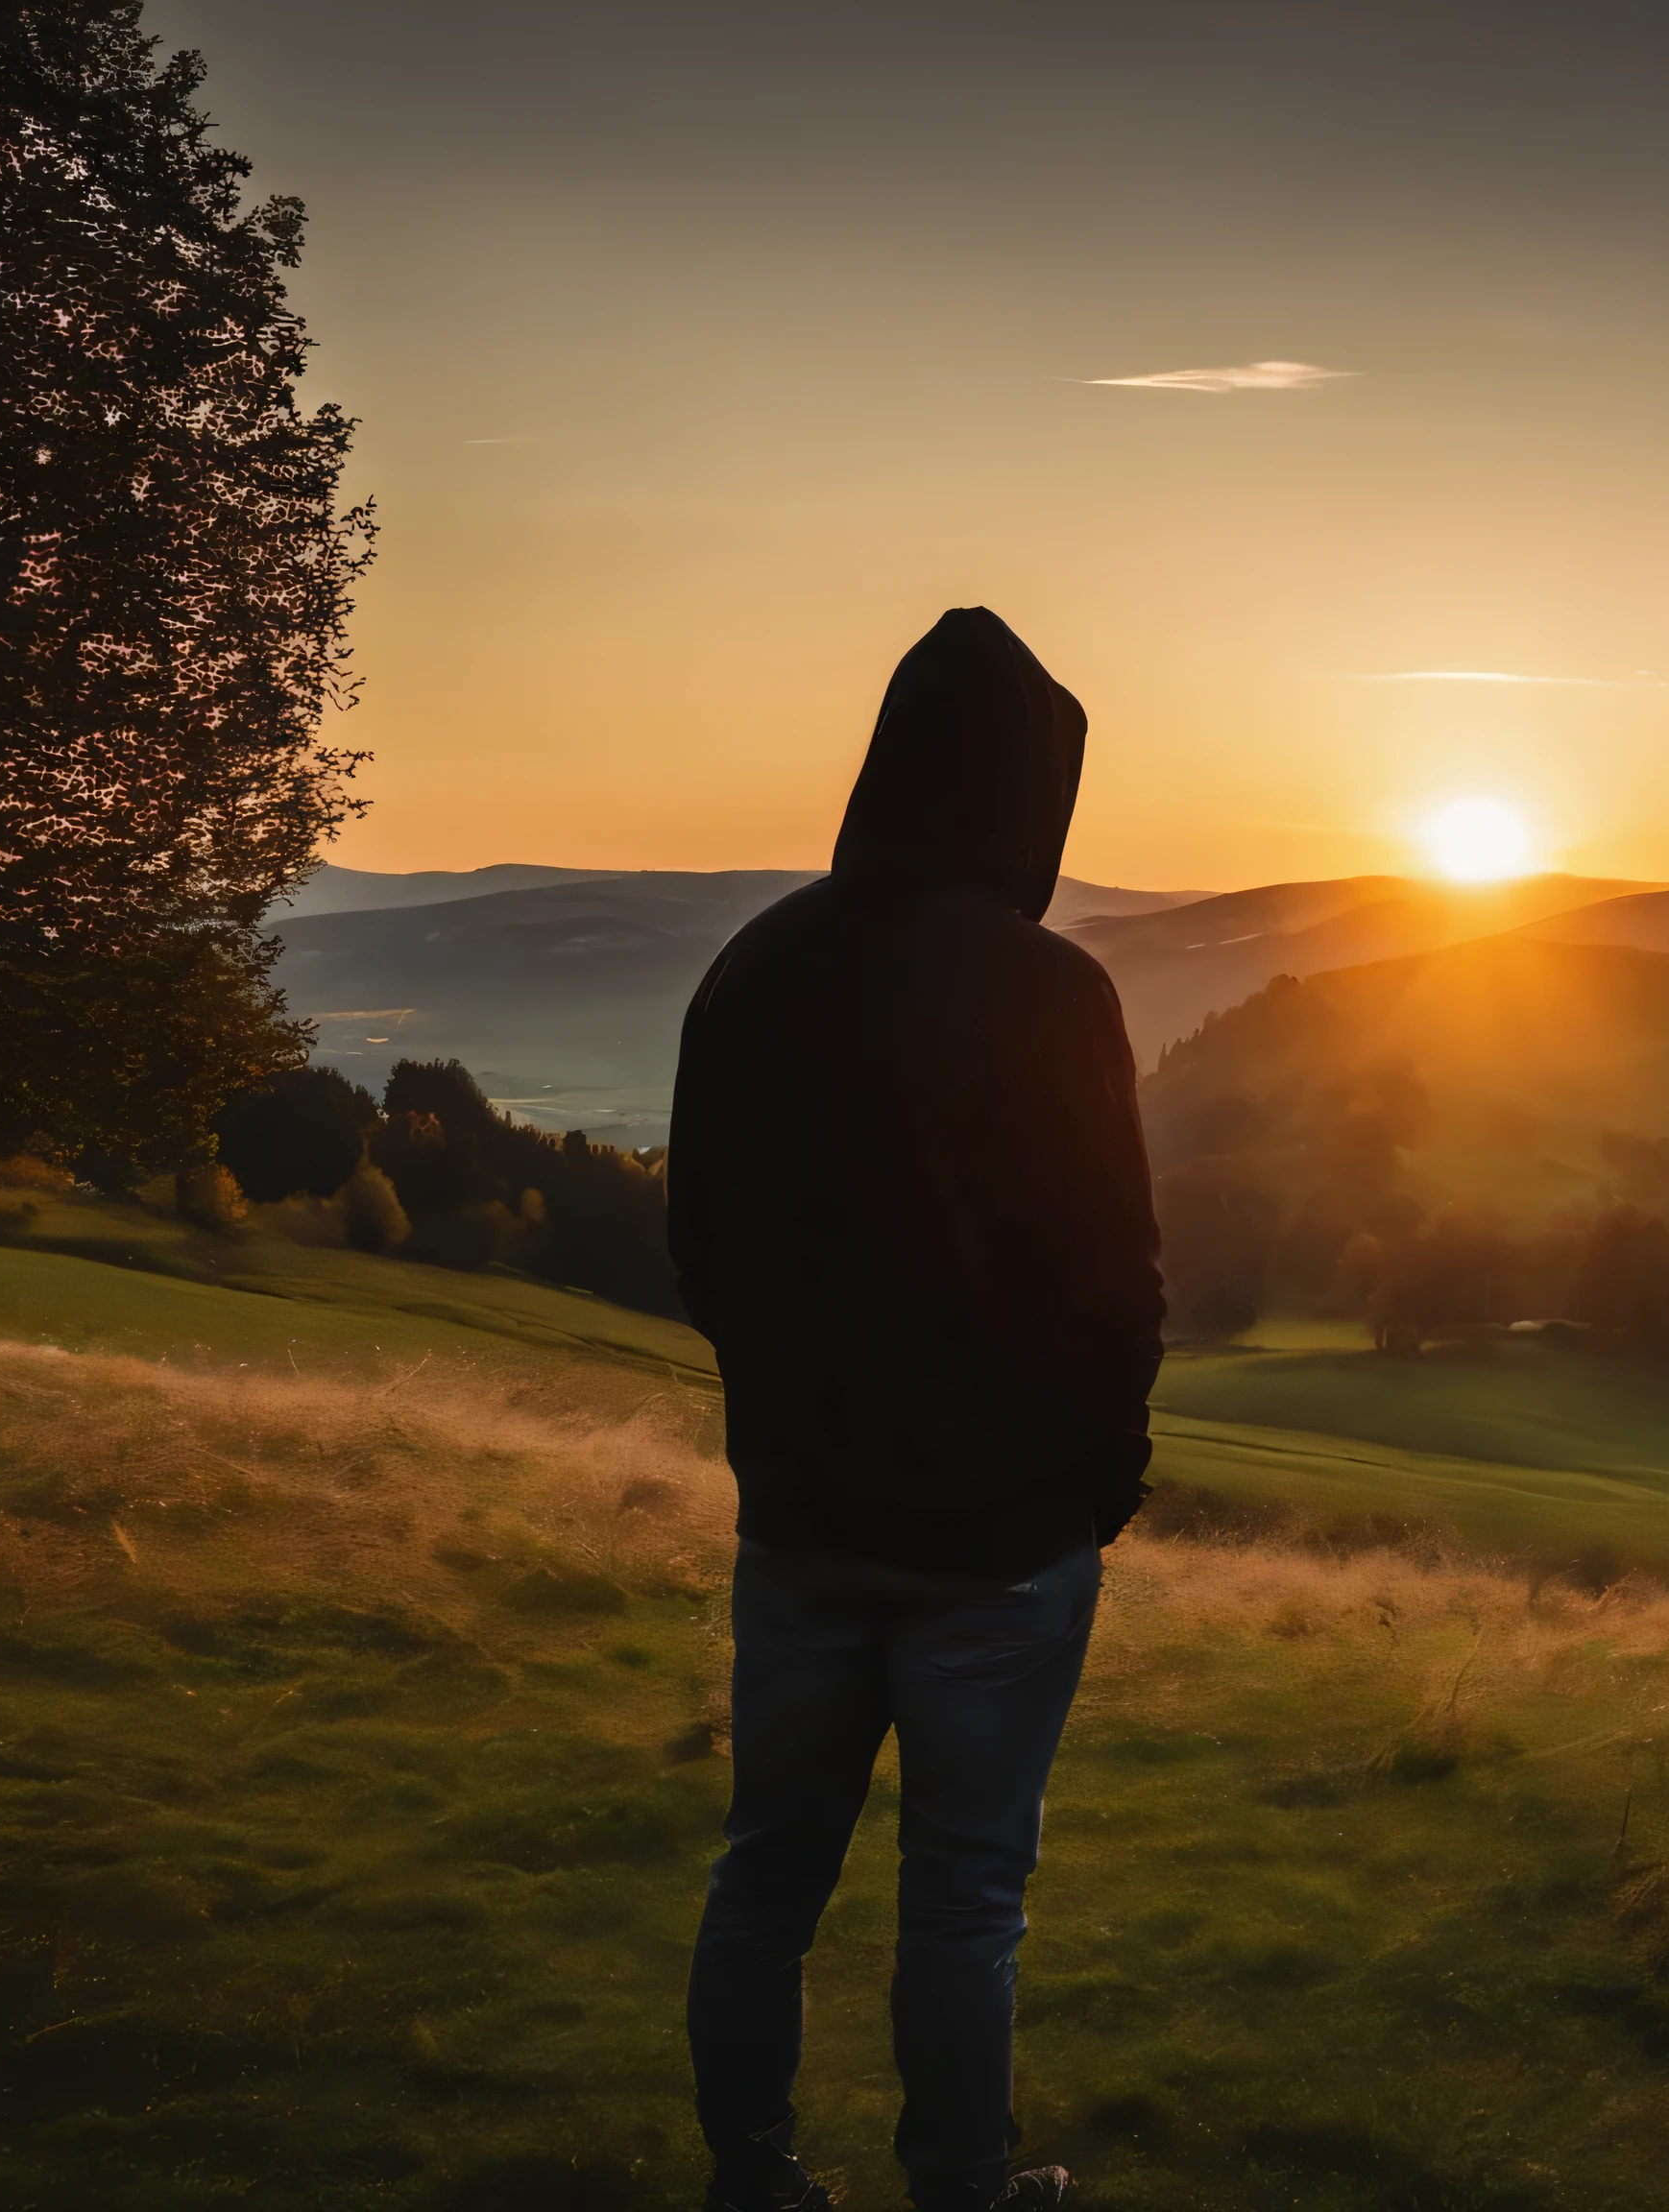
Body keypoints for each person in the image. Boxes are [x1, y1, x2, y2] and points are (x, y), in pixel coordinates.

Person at [667, 609, 1164, 2212]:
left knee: (766, 1877)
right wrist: (1097, 1480)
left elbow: (705, 1249)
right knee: (964, 1899)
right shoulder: (1054, 991)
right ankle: (959, 2193)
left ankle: (753, 2181)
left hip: (801, 1526)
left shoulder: (758, 965)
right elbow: (1115, 1276)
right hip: (1003, 1544)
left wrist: (782, 1430)